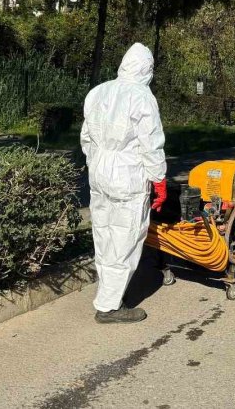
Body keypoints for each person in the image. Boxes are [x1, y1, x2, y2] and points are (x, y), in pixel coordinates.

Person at [80, 43, 168, 324]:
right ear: (146, 69)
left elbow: (86, 138)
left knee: (103, 235)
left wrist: (96, 163)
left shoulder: (98, 92)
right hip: (128, 175)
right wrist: (159, 179)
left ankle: (108, 294)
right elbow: (150, 143)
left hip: (99, 172)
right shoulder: (142, 96)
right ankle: (109, 306)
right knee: (125, 238)